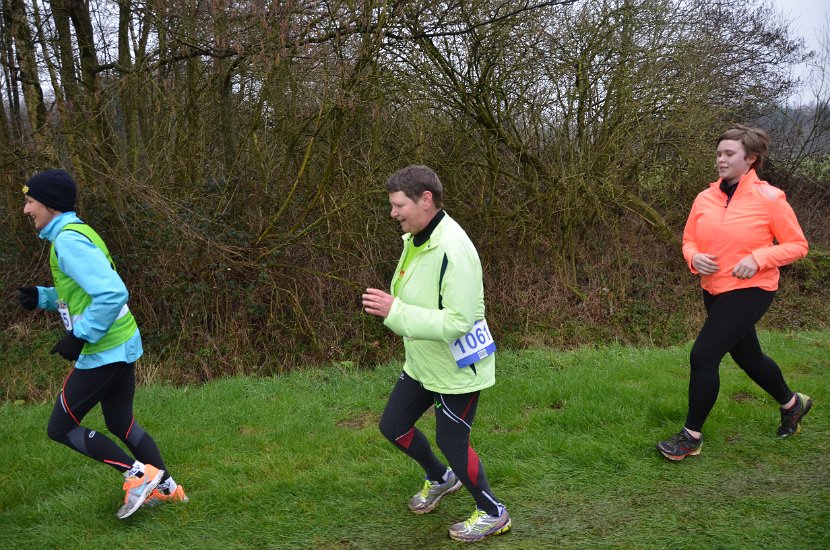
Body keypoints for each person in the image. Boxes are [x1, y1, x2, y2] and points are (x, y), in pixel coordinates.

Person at [17, 169, 188, 518]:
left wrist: (81, 336)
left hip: (104, 350)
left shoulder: (68, 240)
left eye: (30, 201)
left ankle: (140, 476)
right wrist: (44, 298)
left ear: (49, 204)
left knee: (60, 428)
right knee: (120, 422)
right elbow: (82, 292)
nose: (26, 209)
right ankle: (168, 489)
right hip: (122, 342)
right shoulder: (77, 231)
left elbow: (112, 293)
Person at [362, 165, 511, 542]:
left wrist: (394, 312)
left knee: (452, 442)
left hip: (458, 368)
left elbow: (459, 321)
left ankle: (493, 512)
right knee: (393, 427)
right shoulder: (417, 238)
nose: (393, 213)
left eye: (399, 205)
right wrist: (397, 308)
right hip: (424, 361)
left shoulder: (453, 248)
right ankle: (441, 478)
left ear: (425, 200)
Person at [657, 125, 812, 461]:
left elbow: (798, 245)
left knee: (703, 356)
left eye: (729, 154)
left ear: (750, 159)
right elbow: (689, 240)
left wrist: (759, 257)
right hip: (714, 288)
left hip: (752, 289)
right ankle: (792, 404)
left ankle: (691, 436)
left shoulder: (770, 198)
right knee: (748, 356)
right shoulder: (704, 197)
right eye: (718, 153)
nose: (720, 160)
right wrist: (693, 257)